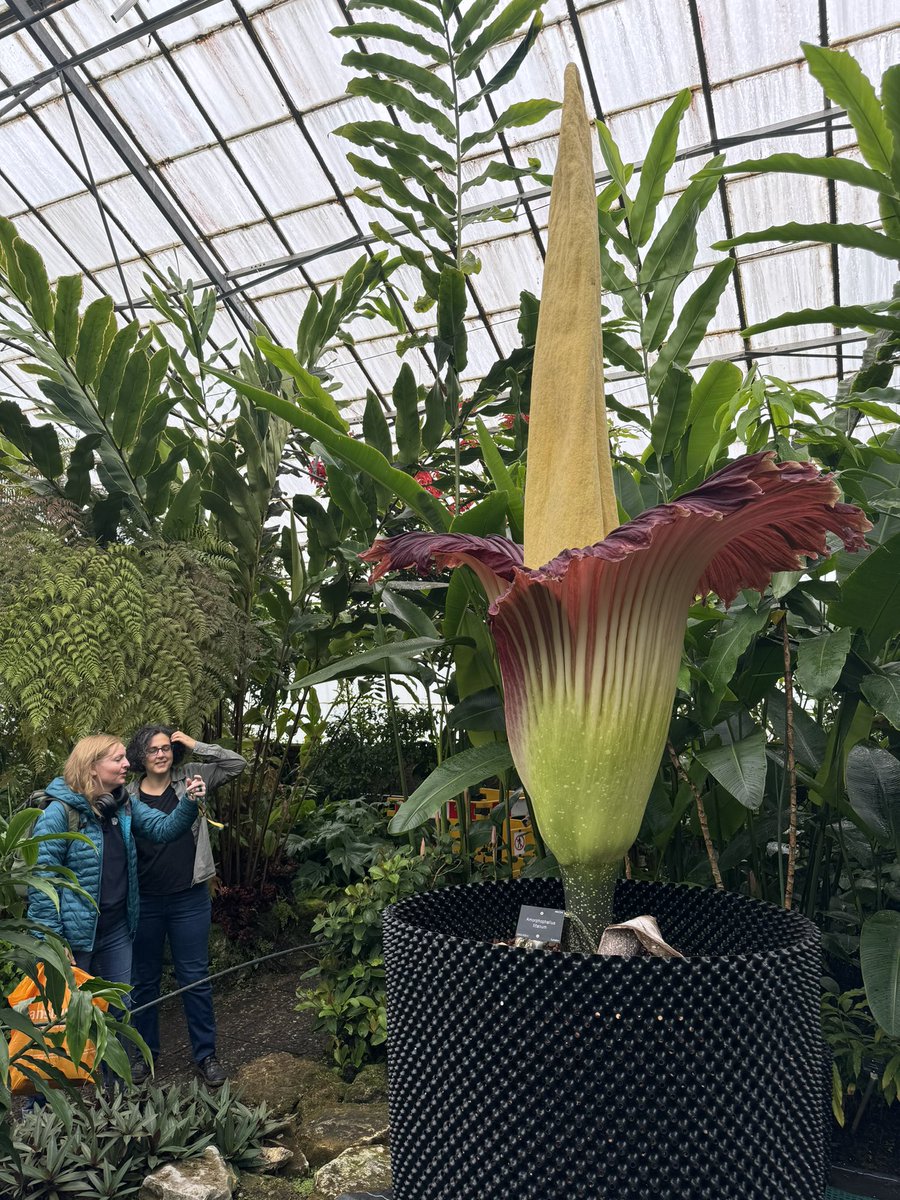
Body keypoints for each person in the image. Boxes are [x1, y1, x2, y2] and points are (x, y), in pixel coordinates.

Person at [27, 733, 203, 996]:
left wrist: (189, 801)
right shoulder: (58, 813)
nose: (127, 764)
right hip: (74, 939)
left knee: (121, 1009)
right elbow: (41, 881)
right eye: (118, 759)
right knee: (73, 1016)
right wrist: (52, 938)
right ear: (91, 767)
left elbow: (163, 829)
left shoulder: (121, 805)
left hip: (116, 930)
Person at [125, 726, 246, 1087]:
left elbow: (236, 764)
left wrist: (194, 745)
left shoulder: (192, 776)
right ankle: (145, 1056)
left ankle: (206, 1055)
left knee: (194, 978)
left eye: (166, 748)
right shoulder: (127, 795)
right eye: (153, 750)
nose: (161, 754)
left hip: (189, 897)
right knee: (143, 982)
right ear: (140, 756)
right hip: (145, 899)